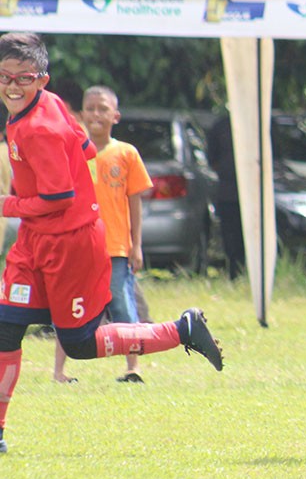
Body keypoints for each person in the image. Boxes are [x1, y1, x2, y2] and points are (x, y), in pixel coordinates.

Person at [0, 32, 223, 455]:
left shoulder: (39, 127)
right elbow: (84, 149)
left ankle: (180, 330)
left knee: (81, 344)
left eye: (23, 77)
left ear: (41, 79)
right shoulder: (49, 105)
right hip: (36, 240)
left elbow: (57, 198)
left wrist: (7, 202)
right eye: (4, 76)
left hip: (69, 246)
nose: (12, 85)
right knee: (5, 328)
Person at [53, 85, 154, 384]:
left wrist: (136, 245)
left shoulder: (126, 153)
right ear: (82, 114)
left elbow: (134, 201)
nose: (96, 114)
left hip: (116, 247)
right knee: (68, 307)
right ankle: (59, 371)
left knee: (123, 305)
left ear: (116, 116)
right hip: (78, 245)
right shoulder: (71, 151)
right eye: (91, 108)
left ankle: (132, 367)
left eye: (103, 109)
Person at [207, 114, 243, 280]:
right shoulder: (220, 125)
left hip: (251, 196)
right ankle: (233, 272)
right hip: (227, 192)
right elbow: (211, 159)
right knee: (230, 236)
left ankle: (245, 271)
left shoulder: (256, 123)